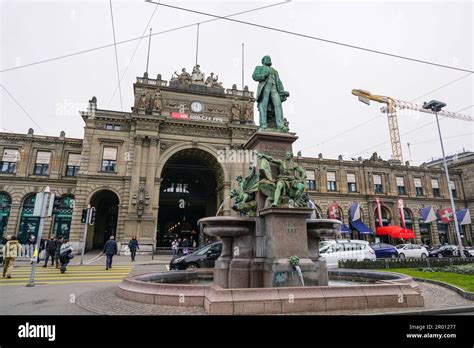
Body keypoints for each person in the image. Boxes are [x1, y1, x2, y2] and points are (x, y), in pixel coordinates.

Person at [252, 55, 289, 131]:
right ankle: (263, 125)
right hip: (264, 87)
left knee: (278, 104)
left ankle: (280, 125)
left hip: (274, 88)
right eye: (267, 58)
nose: (269, 60)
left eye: (270, 59)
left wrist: (282, 92)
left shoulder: (274, 71)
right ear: (263, 61)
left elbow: (279, 82)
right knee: (263, 106)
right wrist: (263, 76)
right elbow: (254, 76)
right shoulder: (259, 68)